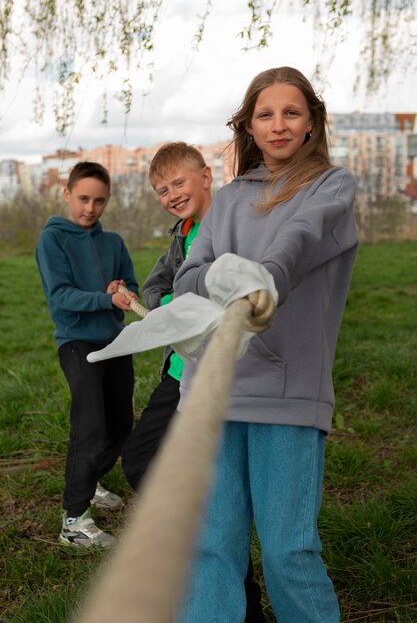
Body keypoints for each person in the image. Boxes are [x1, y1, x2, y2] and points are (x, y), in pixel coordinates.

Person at [173, 67, 358, 622]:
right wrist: (222, 279)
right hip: (209, 390)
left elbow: (299, 241)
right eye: (265, 114)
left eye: (291, 112)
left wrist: (261, 277)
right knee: (210, 548)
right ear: (249, 126)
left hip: (288, 392)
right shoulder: (226, 200)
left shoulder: (332, 186)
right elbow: (187, 277)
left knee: (287, 551)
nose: (278, 125)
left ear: (310, 123)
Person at [121, 141, 266, 623]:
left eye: (178, 183)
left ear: (206, 176)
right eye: (162, 190)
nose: (171, 194)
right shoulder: (180, 233)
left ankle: (239, 601)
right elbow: (158, 285)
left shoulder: (232, 223)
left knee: (217, 494)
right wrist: (165, 305)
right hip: (178, 374)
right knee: (142, 459)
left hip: (221, 376)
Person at [35, 161, 139, 548]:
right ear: (67, 193)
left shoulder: (114, 242)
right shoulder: (53, 239)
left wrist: (122, 290)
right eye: (83, 199)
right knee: (90, 427)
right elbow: (60, 295)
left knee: (120, 425)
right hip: (77, 342)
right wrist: (105, 297)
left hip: (115, 341)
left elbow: (130, 283)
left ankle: (90, 479)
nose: (89, 208)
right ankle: (74, 521)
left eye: (99, 201)